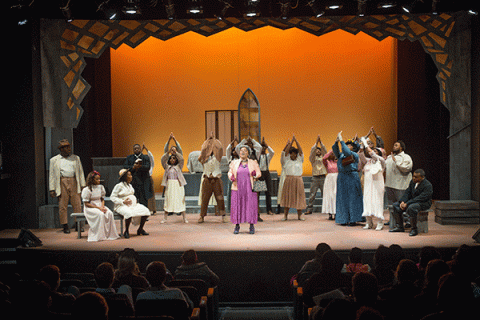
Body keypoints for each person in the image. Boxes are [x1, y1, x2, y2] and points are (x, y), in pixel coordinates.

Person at [49, 139, 86, 234]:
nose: (69, 149)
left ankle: (78, 224)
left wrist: (83, 185)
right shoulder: (54, 160)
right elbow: (52, 175)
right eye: (67, 147)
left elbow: (80, 172)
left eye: (69, 146)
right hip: (62, 182)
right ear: (61, 149)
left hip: (74, 181)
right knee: (62, 205)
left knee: (77, 204)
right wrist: (52, 189)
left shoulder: (76, 158)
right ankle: (65, 225)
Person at [228, 145, 261, 234]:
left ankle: (251, 226)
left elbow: (259, 173)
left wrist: (255, 174)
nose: (243, 152)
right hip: (237, 187)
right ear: (239, 153)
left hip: (249, 188)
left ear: (248, 153)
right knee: (237, 206)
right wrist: (231, 176)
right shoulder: (234, 162)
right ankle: (237, 226)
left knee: (250, 205)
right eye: (241, 150)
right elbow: (230, 172)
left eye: (245, 150)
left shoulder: (253, 162)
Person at [332, 131, 363, 226]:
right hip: (342, 177)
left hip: (352, 177)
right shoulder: (341, 155)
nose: (348, 146)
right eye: (347, 145)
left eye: (350, 145)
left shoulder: (354, 154)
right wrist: (336, 142)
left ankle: (353, 219)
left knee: (353, 198)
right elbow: (335, 150)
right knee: (342, 198)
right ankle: (343, 218)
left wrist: (342, 141)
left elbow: (347, 152)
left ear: (354, 147)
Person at [390, 169, 433, 236]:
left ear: (422, 177)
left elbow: (421, 198)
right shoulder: (412, 182)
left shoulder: (427, 185)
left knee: (411, 208)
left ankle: (414, 229)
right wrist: (402, 202)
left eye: (416, 177)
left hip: (423, 203)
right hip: (413, 201)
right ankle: (399, 227)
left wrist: (407, 203)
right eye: (413, 176)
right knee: (396, 205)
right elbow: (407, 193)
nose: (414, 178)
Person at [110, 169, 151, 238]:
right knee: (128, 213)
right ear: (124, 177)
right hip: (121, 205)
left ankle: (140, 229)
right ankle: (126, 231)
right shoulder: (119, 186)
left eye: (131, 175)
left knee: (146, 211)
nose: (131, 176)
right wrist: (123, 201)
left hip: (132, 205)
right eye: (129, 175)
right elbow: (112, 197)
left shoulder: (130, 185)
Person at [81, 171, 120, 242]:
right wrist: (99, 208)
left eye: (99, 179)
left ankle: (109, 234)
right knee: (100, 214)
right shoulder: (86, 190)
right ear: (92, 180)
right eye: (97, 179)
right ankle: (100, 235)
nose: (99, 181)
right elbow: (86, 204)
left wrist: (102, 207)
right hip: (90, 207)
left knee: (109, 213)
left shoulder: (101, 187)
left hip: (99, 205)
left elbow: (102, 199)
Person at [197, 133, 227, 223]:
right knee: (205, 199)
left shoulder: (217, 158)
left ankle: (223, 216)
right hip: (207, 180)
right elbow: (203, 149)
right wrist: (208, 141)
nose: (211, 150)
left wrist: (214, 140)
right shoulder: (203, 159)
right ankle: (202, 216)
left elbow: (220, 148)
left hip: (216, 180)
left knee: (219, 198)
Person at [359, 137, 386, 231]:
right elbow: (361, 155)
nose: (374, 152)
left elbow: (372, 153)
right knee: (367, 202)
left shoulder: (381, 161)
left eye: (376, 151)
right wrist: (362, 145)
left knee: (377, 202)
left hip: (377, 186)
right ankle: (369, 223)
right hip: (367, 186)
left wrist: (366, 144)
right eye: (373, 150)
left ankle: (379, 223)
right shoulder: (368, 161)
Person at [384, 140, 413, 226]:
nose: (394, 147)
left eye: (396, 145)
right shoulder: (389, 157)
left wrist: (396, 161)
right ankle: (393, 220)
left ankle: (407, 221)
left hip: (400, 185)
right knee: (391, 205)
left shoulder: (406, 157)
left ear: (402, 147)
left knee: (402, 204)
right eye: (394, 145)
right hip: (389, 184)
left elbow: (407, 168)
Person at [161, 136, 188, 224]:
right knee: (168, 200)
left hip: (178, 185)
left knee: (180, 200)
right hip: (169, 185)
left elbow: (182, 158)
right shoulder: (166, 166)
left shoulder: (179, 166)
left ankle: (184, 218)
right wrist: (168, 147)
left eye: (174, 158)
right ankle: (165, 218)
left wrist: (176, 151)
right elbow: (163, 159)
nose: (172, 159)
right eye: (171, 158)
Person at [280, 135, 307, 221]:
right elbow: (285, 153)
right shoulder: (286, 160)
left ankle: (299, 215)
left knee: (299, 198)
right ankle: (285, 216)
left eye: (295, 153)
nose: (293, 155)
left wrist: (296, 141)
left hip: (298, 180)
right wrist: (291, 142)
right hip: (289, 180)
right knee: (287, 198)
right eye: (291, 153)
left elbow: (301, 151)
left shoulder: (299, 160)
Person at [124, 143, 152, 208]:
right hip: (133, 182)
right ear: (133, 150)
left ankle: (144, 216)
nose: (136, 150)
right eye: (135, 149)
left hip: (143, 182)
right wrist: (133, 167)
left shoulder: (145, 157)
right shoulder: (129, 157)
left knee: (143, 200)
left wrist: (139, 166)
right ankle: (134, 214)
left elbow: (148, 167)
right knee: (133, 199)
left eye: (138, 148)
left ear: (140, 149)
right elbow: (125, 167)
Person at [306, 135, 328, 215]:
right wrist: (316, 142)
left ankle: (326, 209)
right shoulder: (312, 159)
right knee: (312, 194)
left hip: (323, 177)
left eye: (319, 150)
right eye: (316, 150)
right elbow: (312, 151)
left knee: (325, 194)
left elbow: (325, 151)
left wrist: (320, 142)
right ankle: (309, 209)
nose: (318, 151)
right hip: (315, 178)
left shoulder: (324, 158)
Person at [257, 137, 275, 216]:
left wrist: (267, 145)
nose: (263, 149)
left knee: (268, 193)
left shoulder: (268, 156)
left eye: (264, 148)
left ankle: (269, 210)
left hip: (267, 173)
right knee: (258, 193)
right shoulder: (258, 156)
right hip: (260, 174)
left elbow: (272, 152)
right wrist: (260, 146)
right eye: (262, 148)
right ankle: (257, 209)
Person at [321, 148, 338, 220]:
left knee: (336, 195)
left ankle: (337, 213)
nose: (332, 155)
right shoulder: (327, 162)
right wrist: (331, 151)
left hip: (337, 178)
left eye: (334, 154)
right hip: (329, 179)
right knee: (329, 195)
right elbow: (324, 158)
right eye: (331, 154)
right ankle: (330, 213)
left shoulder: (338, 162)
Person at [276, 139, 291, 215]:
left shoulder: (293, 159)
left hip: (291, 176)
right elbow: (282, 153)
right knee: (281, 191)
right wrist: (286, 145)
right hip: (284, 176)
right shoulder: (284, 159)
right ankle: (278, 206)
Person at [143, 144, 156, 214]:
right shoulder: (141, 165)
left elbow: (151, 157)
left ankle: (152, 209)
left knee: (150, 195)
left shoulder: (150, 165)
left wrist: (146, 149)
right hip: (142, 179)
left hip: (149, 178)